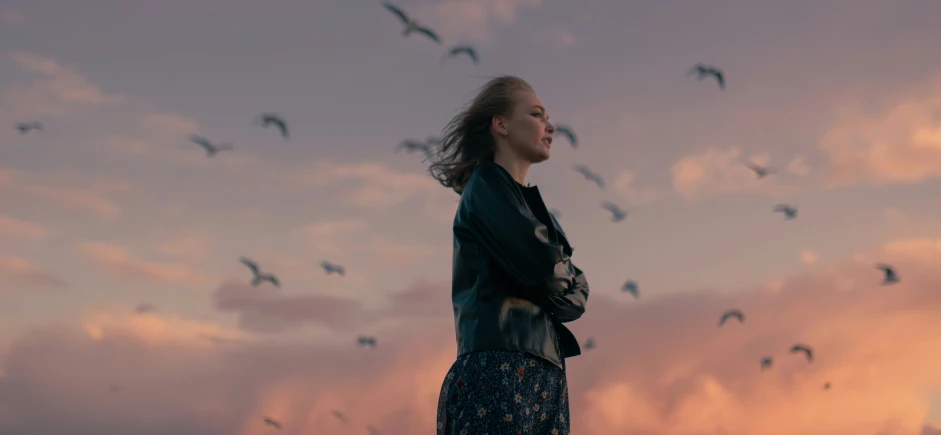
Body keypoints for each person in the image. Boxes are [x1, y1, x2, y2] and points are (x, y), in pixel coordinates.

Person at [430, 76, 590, 435]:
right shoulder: (485, 187)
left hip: (545, 377)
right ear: (500, 124)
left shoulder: (532, 208)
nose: (550, 127)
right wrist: (558, 272)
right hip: (498, 371)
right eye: (536, 115)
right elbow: (549, 272)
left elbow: (576, 301)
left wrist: (554, 274)